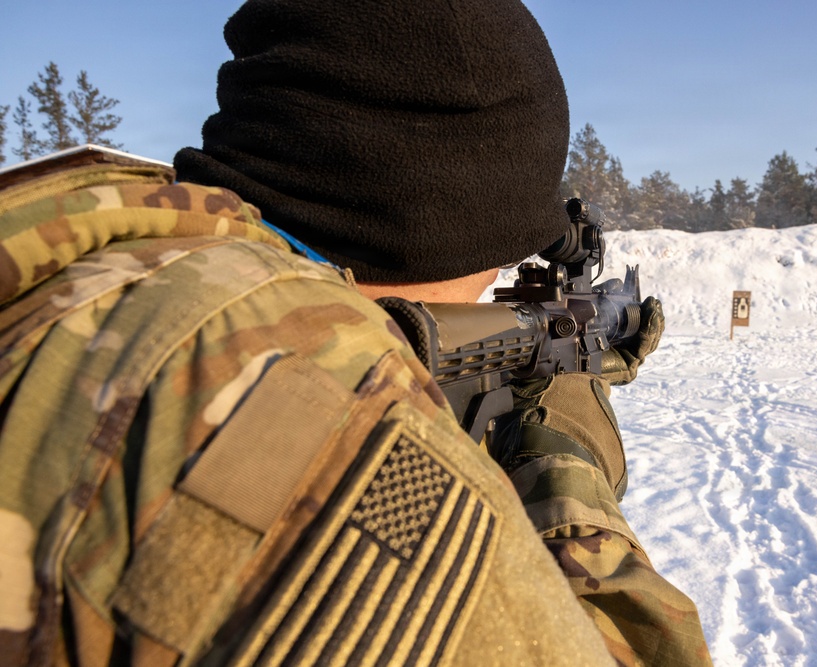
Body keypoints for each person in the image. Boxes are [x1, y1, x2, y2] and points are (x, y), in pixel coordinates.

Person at [0, 0, 712, 664]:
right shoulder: (331, 414)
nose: (497, 278)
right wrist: (567, 457)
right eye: (503, 253)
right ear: (440, 225)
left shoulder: (82, 246)